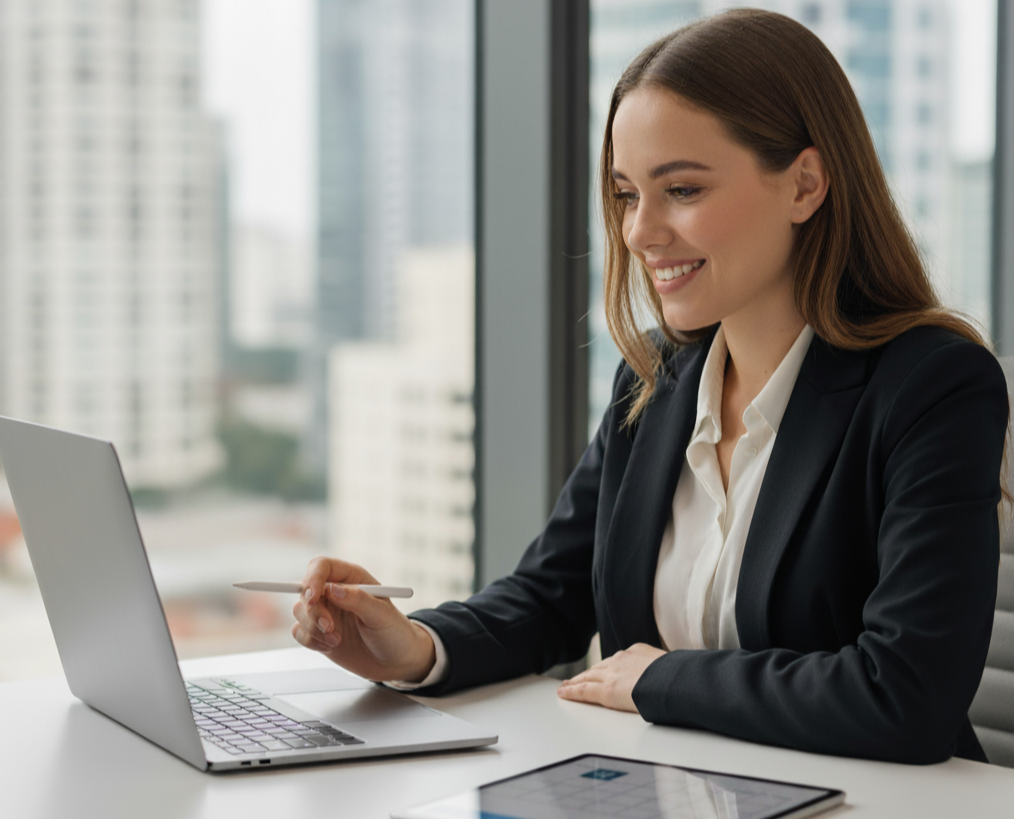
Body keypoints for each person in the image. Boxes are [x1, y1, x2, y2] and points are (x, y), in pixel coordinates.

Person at [291, 9, 1007, 765]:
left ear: (804, 184)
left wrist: (664, 679)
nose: (639, 233)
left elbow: (905, 695)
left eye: (683, 189)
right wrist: (413, 647)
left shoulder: (931, 386)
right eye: (629, 194)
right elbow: (548, 598)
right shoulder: (660, 380)